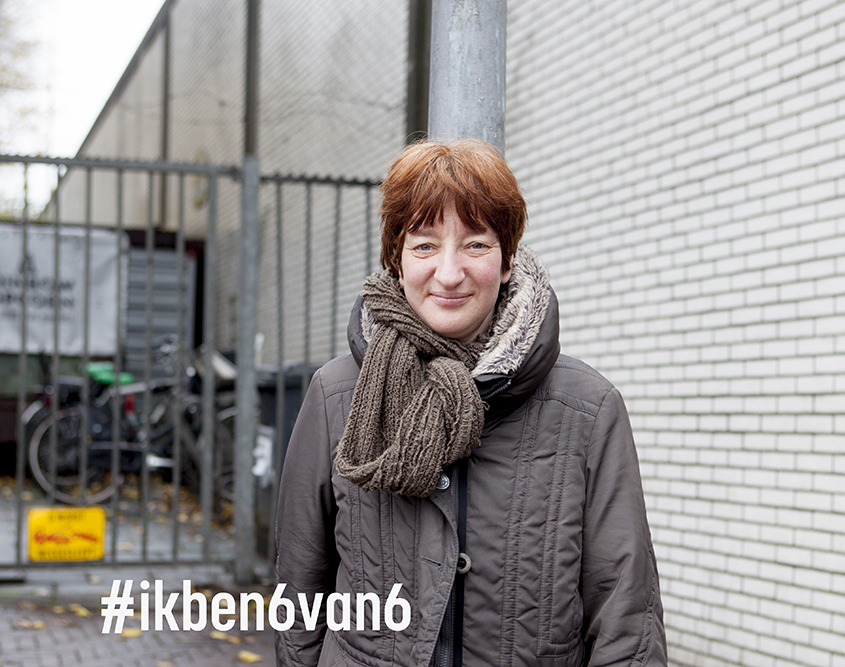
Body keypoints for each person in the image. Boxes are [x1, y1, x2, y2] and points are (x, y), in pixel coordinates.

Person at [274, 138, 668, 666]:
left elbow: (626, 618)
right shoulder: (335, 396)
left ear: (506, 260)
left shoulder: (588, 410)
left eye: (476, 244)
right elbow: (299, 593)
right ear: (397, 260)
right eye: (424, 245)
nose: (449, 272)